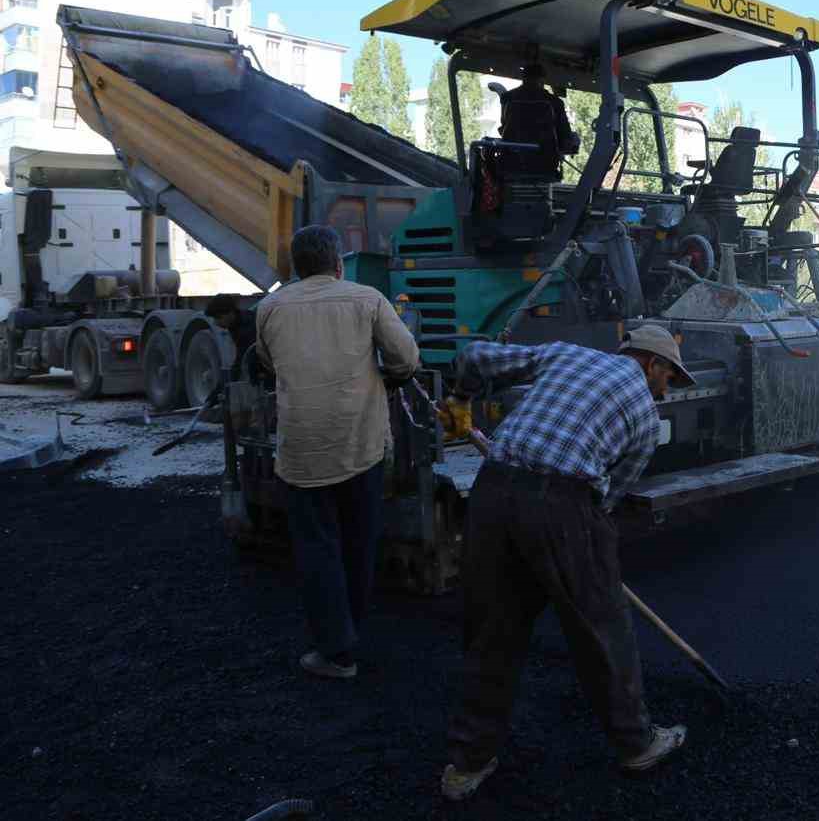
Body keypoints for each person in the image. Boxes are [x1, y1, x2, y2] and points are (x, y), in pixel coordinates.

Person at [440, 326, 694, 801]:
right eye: (669, 378)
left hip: (492, 493)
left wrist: (460, 399)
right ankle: (637, 744)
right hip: (564, 504)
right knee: (602, 629)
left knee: (492, 630)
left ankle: (467, 764)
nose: (666, 390)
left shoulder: (566, 354)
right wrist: (581, 551)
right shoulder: (644, 419)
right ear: (651, 363)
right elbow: (606, 500)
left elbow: (474, 356)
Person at [255, 225, 419, 679]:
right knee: (358, 542)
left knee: (317, 548)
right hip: (360, 445)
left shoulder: (270, 308)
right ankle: (351, 633)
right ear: (338, 265)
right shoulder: (368, 300)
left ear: (295, 267)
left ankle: (335, 650)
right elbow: (406, 358)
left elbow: (268, 362)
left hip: (302, 453)